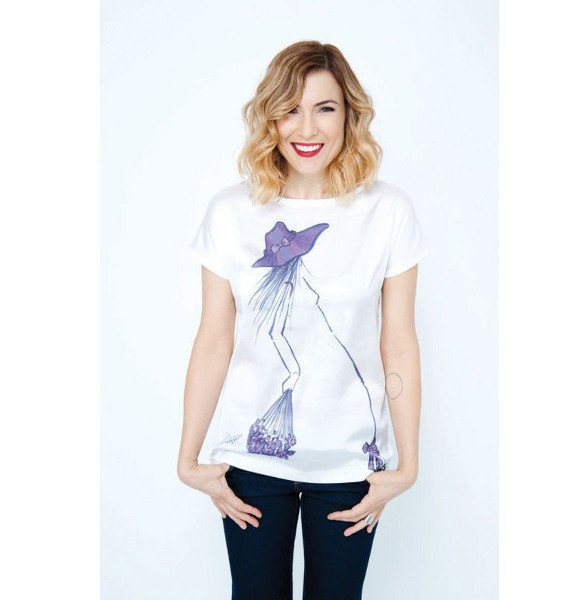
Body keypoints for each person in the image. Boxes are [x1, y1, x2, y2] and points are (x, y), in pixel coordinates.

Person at [177, 40, 432, 600]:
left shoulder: (387, 211)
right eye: (290, 109)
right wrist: (188, 459)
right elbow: (214, 341)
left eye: (325, 108)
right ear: (270, 116)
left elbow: (398, 344)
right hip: (251, 459)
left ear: (349, 115)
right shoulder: (231, 212)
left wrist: (406, 466)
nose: (307, 127)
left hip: (352, 463)